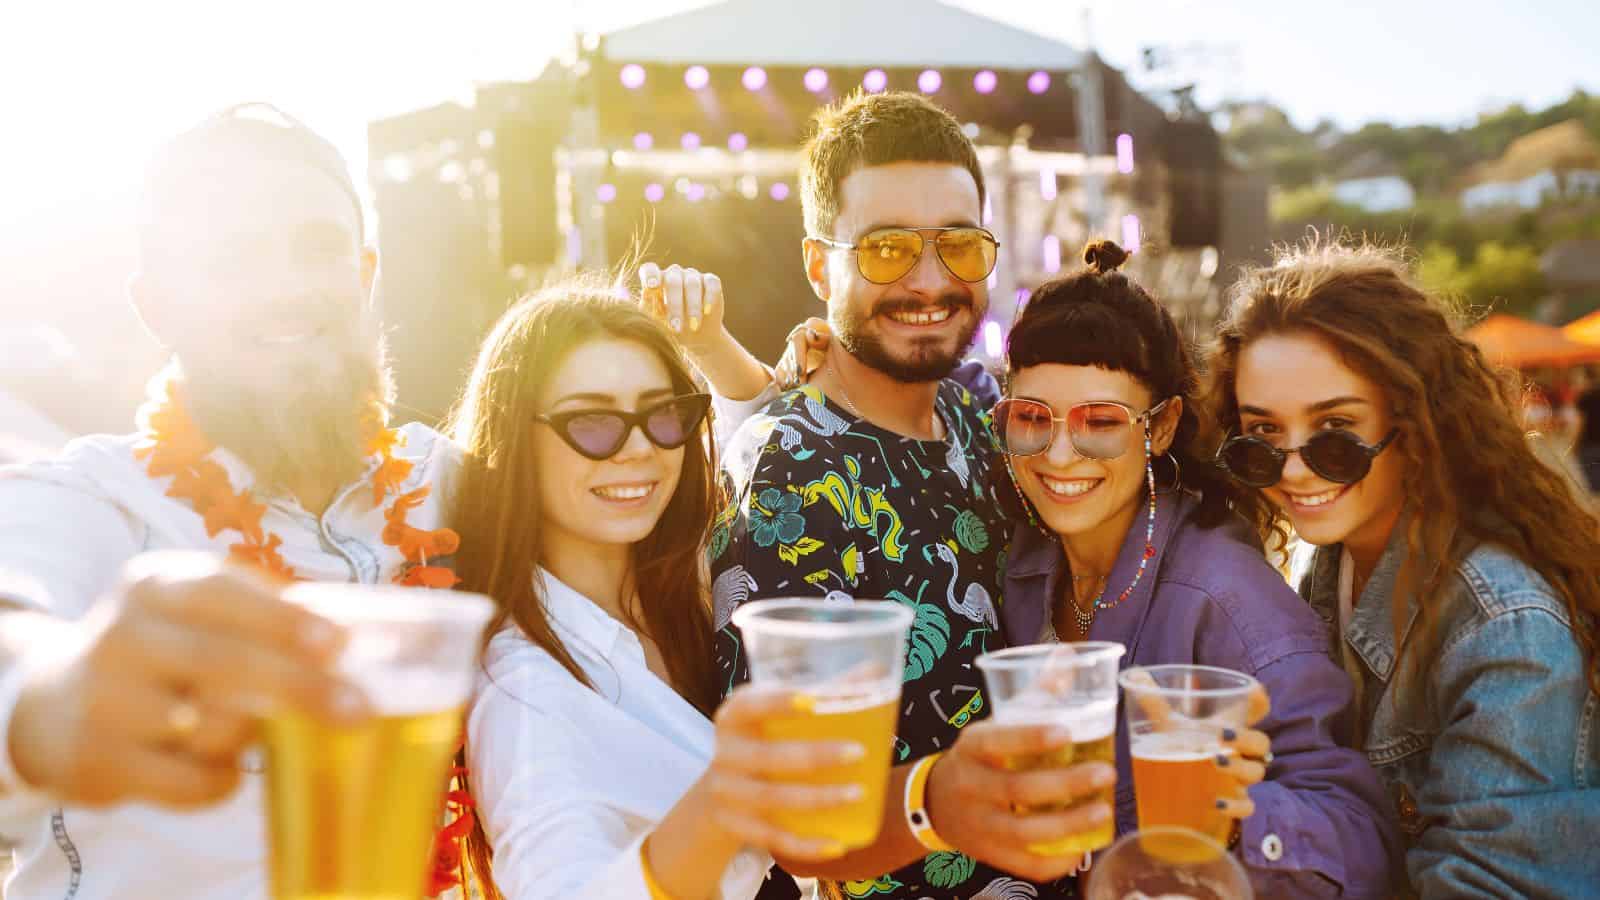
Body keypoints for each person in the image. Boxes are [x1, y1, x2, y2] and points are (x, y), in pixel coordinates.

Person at [0, 105, 460, 898]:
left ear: (363, 275)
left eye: (317, 248)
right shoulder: (89, 498)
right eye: (231, 259)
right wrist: (48, 695)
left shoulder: (451, 479)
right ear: (157, 306)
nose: (287, 291)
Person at [678, 91, 1116, 900]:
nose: (930, 281)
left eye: (959, 245)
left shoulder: (984, 414)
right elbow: (789, 821)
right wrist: (935, 804)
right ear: (820, 266)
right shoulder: (785, 472)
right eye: (886, 249)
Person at [451, 282, 881, 900]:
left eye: (662, 414)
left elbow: (756, 438)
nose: (639, 449)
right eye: (591, 422)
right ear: (516, 438)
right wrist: (724, 801)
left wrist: (711, 345)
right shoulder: (523, 689)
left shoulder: (691, 578)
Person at [989, 242, 1394, 895]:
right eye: (1032, 418)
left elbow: (1362, 841)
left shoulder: (1229, 599)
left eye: (1101, 421)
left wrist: (1230, 820)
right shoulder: (1027, 561)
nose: (1058, 454)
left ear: (1161, 426)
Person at [1209, 239, 1600, 896]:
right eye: (1264, 434)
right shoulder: (1333, 564)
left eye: (1335, 429)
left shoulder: (1502, 624)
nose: (1294, 470)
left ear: (1414, 423)